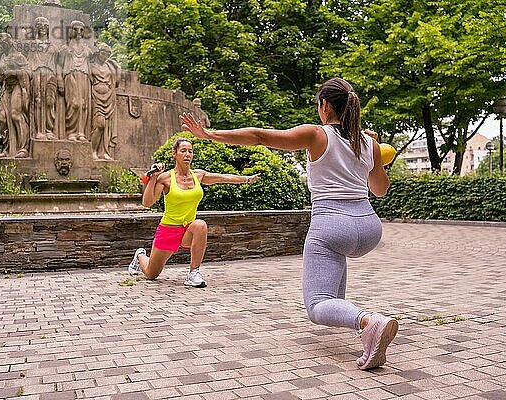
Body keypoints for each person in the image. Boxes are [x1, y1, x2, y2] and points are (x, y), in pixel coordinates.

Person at [179, 77, 397, 370]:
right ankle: (362, 326)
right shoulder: (368, 142)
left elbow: (259, 136)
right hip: (369, 227)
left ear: (325, 106)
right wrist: (374, 153)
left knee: (318, 305)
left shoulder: (316, 135)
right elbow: (380, 189)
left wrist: (209, 134)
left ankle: (370, 322)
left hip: (332, 225)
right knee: (334, 293)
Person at [128, 137, 260, 288]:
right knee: (152, 274)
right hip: (168, 230)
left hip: (187, 230)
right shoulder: (166, 178)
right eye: (183, 151)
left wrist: (247, 179)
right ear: (174, 154)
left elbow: (223, 178)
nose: (187, 154)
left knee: (200, 225)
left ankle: (193, 273)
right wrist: (154, 179)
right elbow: (147, 203)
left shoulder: (198, 175)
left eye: (190, 151)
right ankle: (140, 256)